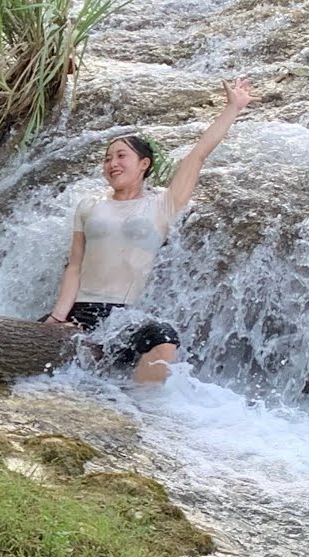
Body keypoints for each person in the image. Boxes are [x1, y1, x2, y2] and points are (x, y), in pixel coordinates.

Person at [44, 77, 253, 384]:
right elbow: (74, 265)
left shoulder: (162, 206)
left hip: (124, 317)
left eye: (120, 155)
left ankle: (143, 412)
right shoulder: (88, 205)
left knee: (164, 337)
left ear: (144, 163)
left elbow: (197, 155)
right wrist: (57, 318)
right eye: (107, 158)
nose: (111, 163)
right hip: (79, 311)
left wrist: (231, 109)